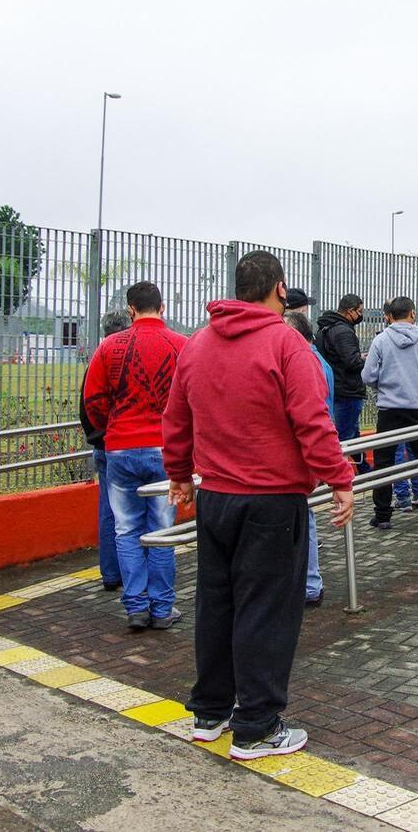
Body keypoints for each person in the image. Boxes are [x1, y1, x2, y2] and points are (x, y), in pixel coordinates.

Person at [163, 251, 354, 760]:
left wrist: (180, 475)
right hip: (272, 501)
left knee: (217, 603)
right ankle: (257, 725)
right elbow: (313, 422)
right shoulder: (286, 343)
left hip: (217, 499)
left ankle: (209, 713)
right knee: (266, 611)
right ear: (280, 288)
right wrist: (340, 478)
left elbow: (176, 417)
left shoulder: (198, 344)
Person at [82, 282, 188, 630]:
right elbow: (193, 399)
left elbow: (93, 401)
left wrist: (112, 427)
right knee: (161, 530)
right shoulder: (181, 346)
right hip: (165, 449)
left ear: (130, 309)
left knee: (126, 529)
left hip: (121, 448)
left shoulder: (109, 347)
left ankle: (135, 607)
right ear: (162, 308)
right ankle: (161, 608)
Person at [363, 296, 418, 530]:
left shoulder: (381, 340)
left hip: (389, 409)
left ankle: (382, 514)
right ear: (413, 314)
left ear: (390, 316)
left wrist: (382, 385)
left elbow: (368, 375)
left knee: (384, 463)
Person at [78, 309, 132, 592]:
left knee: (109, 512)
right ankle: (133, 574)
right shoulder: (125, 361)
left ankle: (111, 573)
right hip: (126, 446)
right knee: (137, 514)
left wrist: (99, 436)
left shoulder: (96, 361)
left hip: (104, 446)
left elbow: (86, 407)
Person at [282, 311, 329, 607]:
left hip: (298, 458)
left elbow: (315, 417)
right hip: (302, 455)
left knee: (303, 518)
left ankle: (309, 583)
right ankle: (308, 583)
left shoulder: (307, 362)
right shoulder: (312, 360)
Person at [316, 295, 369, 473]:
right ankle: (342, 478)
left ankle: (367, 472)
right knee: (345, 439)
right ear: (350, 311)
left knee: (352, 435)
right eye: (359, 312)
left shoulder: (327, 327)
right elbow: (351, 362)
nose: (360, 316)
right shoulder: (343, 331)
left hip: (337, 388)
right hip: (348, 390)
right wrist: (367, 361)